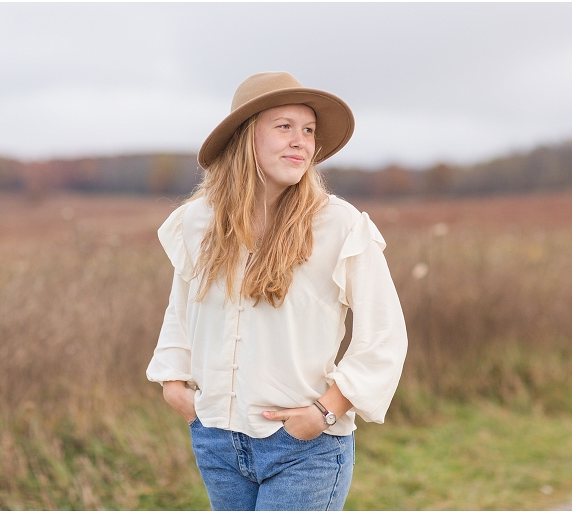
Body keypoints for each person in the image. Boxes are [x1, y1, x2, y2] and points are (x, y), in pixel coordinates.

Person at [146, 71, 407, 511]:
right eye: (284, 127)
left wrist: (324, 412)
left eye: (307, 131)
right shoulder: (197, 223)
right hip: (217, 444)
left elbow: (384, 334)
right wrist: (174, 384)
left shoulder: (338, 225)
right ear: (246, 137)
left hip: (303, 449)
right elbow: (181, 310)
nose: (300, 141)